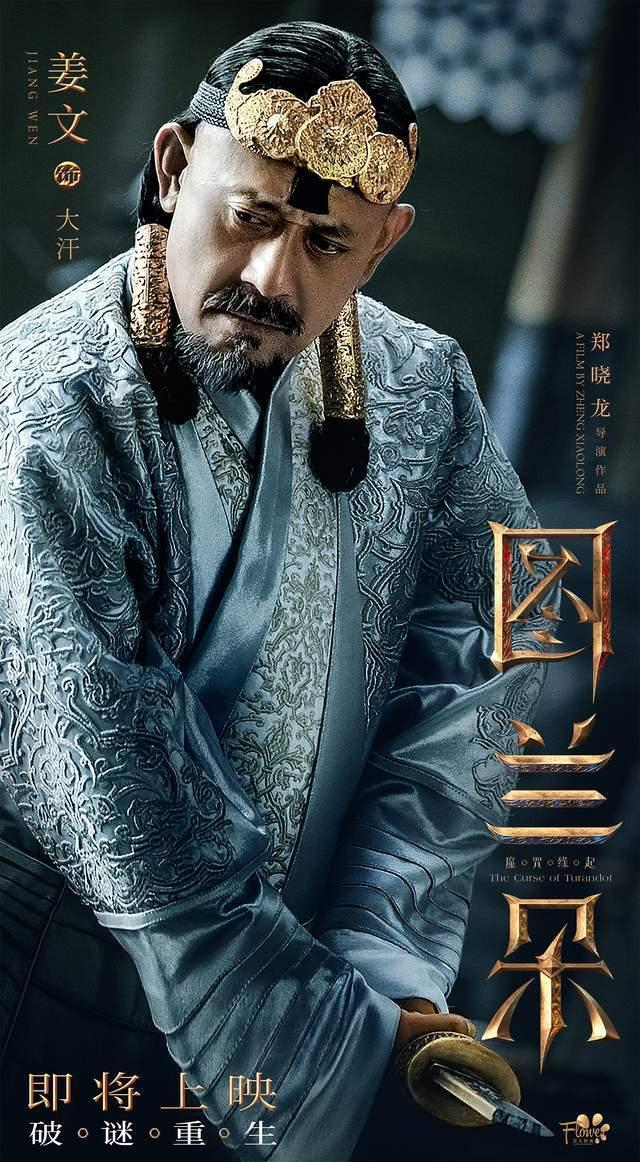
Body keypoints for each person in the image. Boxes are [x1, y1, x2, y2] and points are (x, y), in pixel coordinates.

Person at [0, 20, 547, 1162]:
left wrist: (386, 956)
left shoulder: (423, 384)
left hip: (331, 977)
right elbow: (124, 800)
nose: (271, 279)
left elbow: (486, 651)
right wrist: (343, 1056)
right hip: (52, 975)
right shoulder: (46, 411)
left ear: (384, 243)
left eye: (325, 241)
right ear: (172, 170)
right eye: (249, 216)